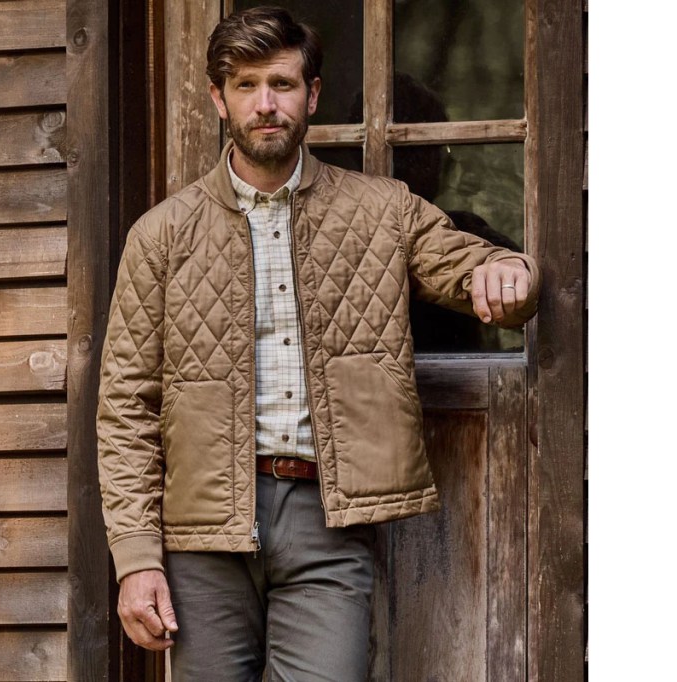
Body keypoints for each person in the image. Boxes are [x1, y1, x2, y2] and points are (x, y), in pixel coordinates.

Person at [96, 7, 540, 680]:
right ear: (218, 98)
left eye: (281, 83)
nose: (265, 104)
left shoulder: (383, 209)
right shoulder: (160, 236)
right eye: (246, 86)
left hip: (326, 525)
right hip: (199, 531)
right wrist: (135, 561)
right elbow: (126, 407)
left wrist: (513, 272)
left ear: (313, 94)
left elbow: (468, 262)